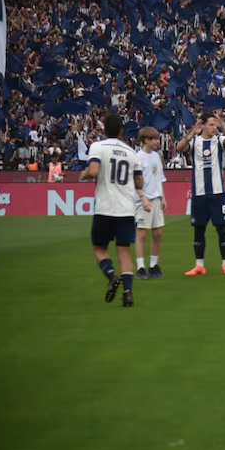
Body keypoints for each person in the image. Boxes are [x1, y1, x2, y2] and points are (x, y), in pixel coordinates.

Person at [80, 113, 143, 308]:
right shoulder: (131, 152)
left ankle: (112, 275)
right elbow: (140, 182)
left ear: (104, 129)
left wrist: (84, 174)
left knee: (99, 248)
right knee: (124, 251)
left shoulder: (98, 147)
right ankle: (128, 293)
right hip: (126, 209)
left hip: (105, 207)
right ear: (122, 131)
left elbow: (93, 171)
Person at [176, 111, 225, 276]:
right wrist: (192, 132)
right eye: (211, 124)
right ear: (202, 125)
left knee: (222, 229)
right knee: (199, 230)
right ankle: (199, 265)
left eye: (215, 124)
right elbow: (179, 148)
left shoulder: (219, 140)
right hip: (199, 194)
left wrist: (223, 127)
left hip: (217, 193)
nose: (214, 127)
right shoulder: (195, 142)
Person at [135, 127, 167, 279]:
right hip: (143, 200)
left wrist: (163, 197)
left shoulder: (156, 156)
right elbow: (134, 181)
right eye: (154, 139)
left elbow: (159, 178)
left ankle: (153, 265)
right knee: (141, 234)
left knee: (158, 233)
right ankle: (140, 267)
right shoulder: (138, 158)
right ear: (147, 140)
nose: (157, 142)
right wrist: (143, 198)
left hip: (156, 198)